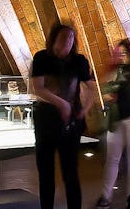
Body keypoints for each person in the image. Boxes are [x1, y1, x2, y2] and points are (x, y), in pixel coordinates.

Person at [30, 23, 97, 209]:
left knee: (70, 172)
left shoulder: (79, 61)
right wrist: (61, 103)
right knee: (46, 172)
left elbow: (91, 88)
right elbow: (39, 88)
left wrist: (84, 109)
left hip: (70, 123)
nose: (67, 41)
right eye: (63, 37)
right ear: (54, 39)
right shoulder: (42, 58)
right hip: (46, 121)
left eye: (71, 38)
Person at [97, 39, 130, 209]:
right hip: (116, 119)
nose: (121, 55)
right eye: (119, 53)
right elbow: (105, 89)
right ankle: (106, 196)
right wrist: (108, 96)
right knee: (113, 158)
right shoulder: (115, 71)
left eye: (125, 52)